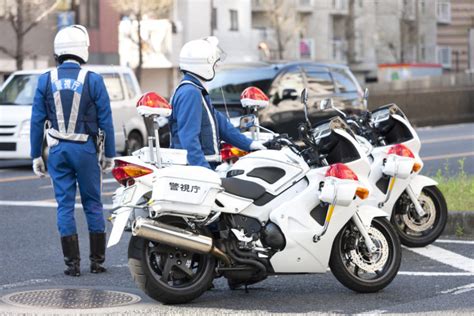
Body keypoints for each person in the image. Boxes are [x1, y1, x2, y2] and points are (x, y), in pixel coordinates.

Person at [30, 25, 115, 277]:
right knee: (93, 204)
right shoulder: (93, 79)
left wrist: (36, 154)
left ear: (59, 51)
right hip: (85, 150)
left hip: (57, 150)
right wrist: (109, 153)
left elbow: (36, 120)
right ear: (82, 50)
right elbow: (106, 120)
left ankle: (72, 265)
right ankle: (97, 263)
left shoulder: (45, 80)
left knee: (64, 206)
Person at [168, 36, 265, 169]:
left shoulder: (197, 90)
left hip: (201, 166)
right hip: (194, 170)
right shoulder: (191, 93)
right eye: (214, 62)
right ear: (203, 65)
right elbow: (189, 140)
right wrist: (205, 172)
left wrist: (251, 144)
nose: (217, 66)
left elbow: (222, 125)